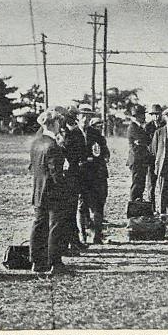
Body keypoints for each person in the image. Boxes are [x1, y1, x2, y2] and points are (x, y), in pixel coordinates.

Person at [29, 108, 73, 275]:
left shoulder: (36, 142)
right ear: (54, 124)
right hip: (53, 192)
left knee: (39, 225)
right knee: (55, 227)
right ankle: (55, 262)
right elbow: (56, 174)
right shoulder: (53, 145)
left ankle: (36, 261)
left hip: (39, 190)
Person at [76, 108, 110, 245]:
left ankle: (97, 236)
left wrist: (101, 157)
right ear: (78, 117)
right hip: (80, 176)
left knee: (98, 205)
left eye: (88, 117)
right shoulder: (72, 134)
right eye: (83, 116)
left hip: (96, 175)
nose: (85, 119)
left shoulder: (95, 134)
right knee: (81, 206)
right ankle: (82, 236)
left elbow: (105, 153)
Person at [61, 105, 90, 254]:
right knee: (68, 211)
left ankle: (74, 240)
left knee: (72, 210)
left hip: (76, 175)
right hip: (69, 176)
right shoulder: (67, 133)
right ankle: (70, 242)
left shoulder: (74, 131)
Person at [126, 104, 152, 202]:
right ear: (136, 116)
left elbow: (145, 141)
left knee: (141, 184)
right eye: (142, 115)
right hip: (136, 160)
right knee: (136, 184)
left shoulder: (140, 127)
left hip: (141, 160)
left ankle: (138, 203)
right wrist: (143, 142)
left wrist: (143, 142)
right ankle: (133, 204)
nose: (144, 117)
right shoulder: (133, 127)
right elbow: (143, 140)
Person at [144, 104, 166, 205]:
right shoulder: (148, 127)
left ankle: (163, 208)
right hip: (151, 159)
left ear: (161, 114)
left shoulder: (166, 125)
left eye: (158, 114)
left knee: (163, 185)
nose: (156, 116)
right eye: (154, 114)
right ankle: (151, 208)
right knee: (151, 185)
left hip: (163, 159)